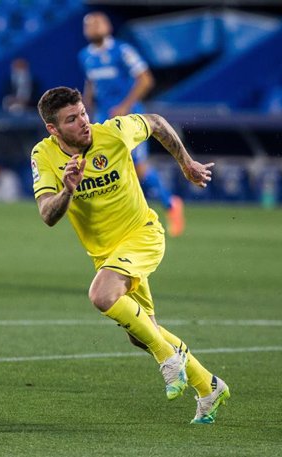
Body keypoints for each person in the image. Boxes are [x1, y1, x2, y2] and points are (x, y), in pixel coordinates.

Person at [31, 87, 229, 424]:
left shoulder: (114, 132)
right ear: (53, 129)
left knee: (101, 294)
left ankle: (169, 360)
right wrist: (68, 189)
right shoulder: (43, 155)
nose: (83, 122)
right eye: (71, 119)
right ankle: (208, 386)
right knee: (142, 335)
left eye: (82, 113)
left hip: (142, 235)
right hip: (107, 254)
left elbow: (155, 123)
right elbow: (48, 215)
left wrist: (186, 163)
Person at [79, 11, 185, 237]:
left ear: (107, 26)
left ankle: (171, 204)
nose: (93, 27)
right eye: (88, 24)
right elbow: (90, 84)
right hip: (102, 118)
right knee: (99, 163)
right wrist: (85, 108)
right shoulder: (84, 56)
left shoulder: (122, 50)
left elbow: (146, 79)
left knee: (138, 165)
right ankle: (111, 215)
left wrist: (126, 105)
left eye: (97, 22)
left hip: (128, 118)